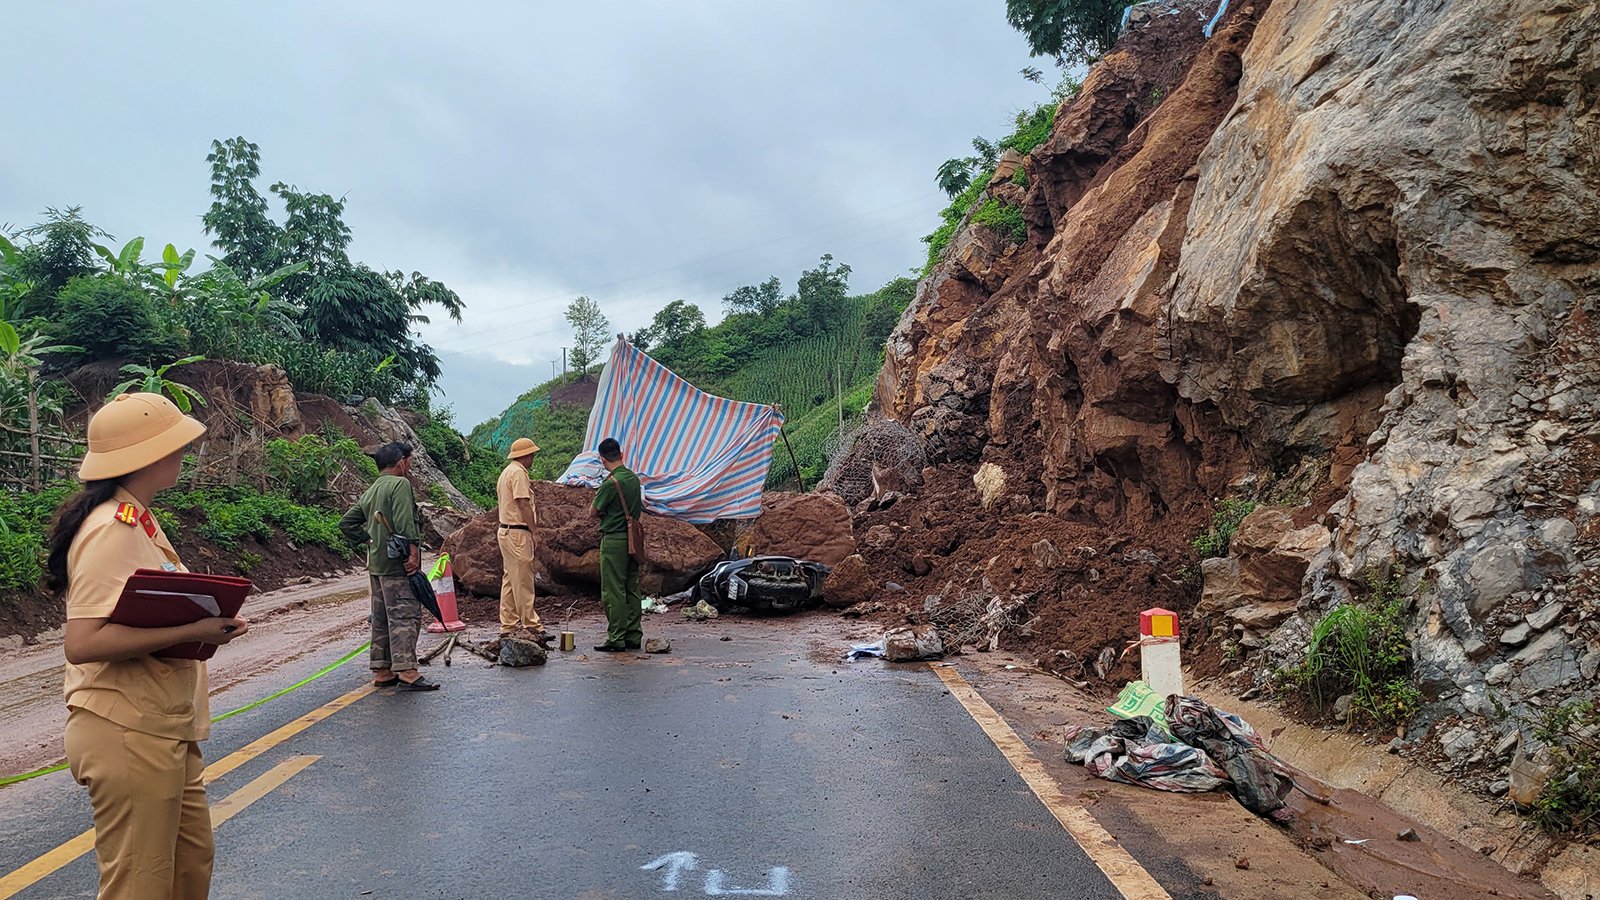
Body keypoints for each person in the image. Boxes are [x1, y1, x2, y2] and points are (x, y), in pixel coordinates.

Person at [49, 392, 250, 899]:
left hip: (158, 723)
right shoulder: (111, 529)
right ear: (149, 456)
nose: (183, 453)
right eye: (176, 444)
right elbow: (83, 640)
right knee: (140, 883)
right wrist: (192, 631)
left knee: (187, 868)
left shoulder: (135, 518)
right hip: (126, 728)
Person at [340, 442, 439, 691]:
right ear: (401, 462)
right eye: (410, 461)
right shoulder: (400, 484)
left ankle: (383, 670)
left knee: (382, 617)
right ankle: (407, 671)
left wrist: (368, 540)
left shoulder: (372, 489)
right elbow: (406, 520)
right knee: (404, 614)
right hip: (398, 564)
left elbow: (347, 523)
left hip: (376, 564)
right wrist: (413, 550)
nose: (410, 466)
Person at [590, 437, 643, 652]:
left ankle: (616, 637)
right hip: (633, 540)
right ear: (621, 454)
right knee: (632, 586)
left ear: (603, 460)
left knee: (613, 589)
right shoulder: (634, 479)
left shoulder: (611, 483)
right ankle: (634, 634)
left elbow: (592, 512)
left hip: (614, 540)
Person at [496, 437, 549, 639]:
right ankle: (532, 625)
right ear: (525, 455)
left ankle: (508, 624)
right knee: (524, 580)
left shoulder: (507, 472)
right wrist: (534, 531)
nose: (533, 458)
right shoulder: (518, 473)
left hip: (506, 531)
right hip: (518, 532)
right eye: (532, 455)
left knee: (510, 579)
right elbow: (523, 503)